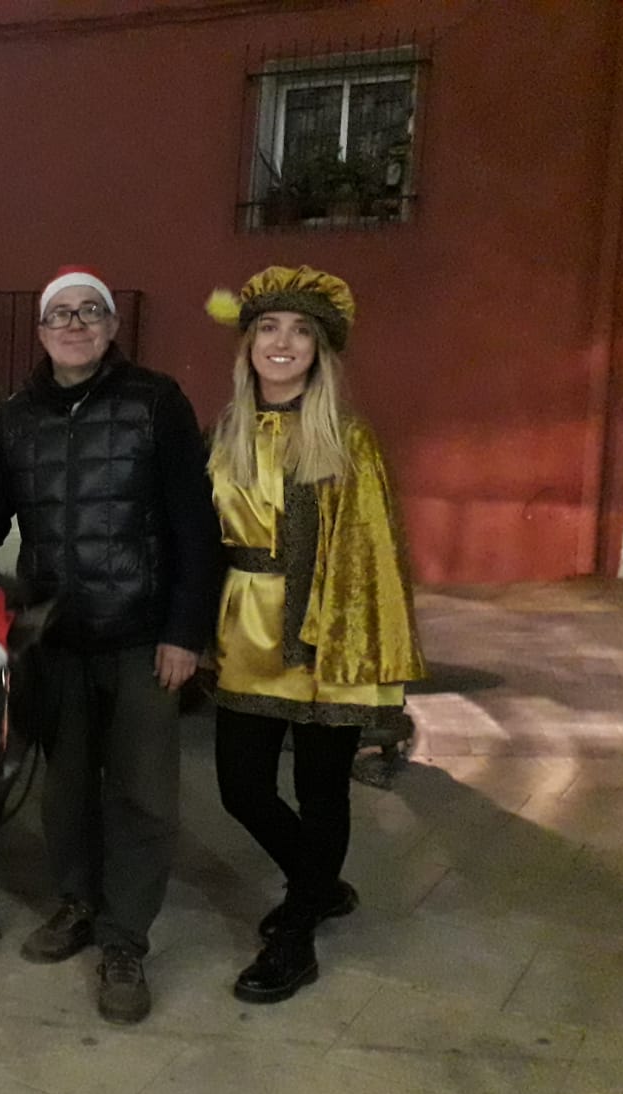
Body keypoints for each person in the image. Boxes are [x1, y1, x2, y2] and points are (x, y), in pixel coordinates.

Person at [0, 265, 220, 1024]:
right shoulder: (17, 416)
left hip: (143, 637)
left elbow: (195, 525)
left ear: (111, 327)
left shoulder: (154, 401)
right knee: (65, 790)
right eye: (60, 314)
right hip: (57, 637)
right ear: (41, 331)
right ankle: (77, 903)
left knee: (142, 794)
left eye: (89, 312)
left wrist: (185, 632)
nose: (74, 324)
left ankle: (125, 940)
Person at [203, 265, 425, 1003]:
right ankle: (319, 884)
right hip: (246, 632)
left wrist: (354, 643)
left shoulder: (346, 440)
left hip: (324, 635)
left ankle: (296, 937)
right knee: (241, 788)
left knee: (321, 790)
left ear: (320, 350)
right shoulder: (225, 433)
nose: (283, 342)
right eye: (269, 327)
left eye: (301, 331)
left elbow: (372, 554)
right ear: (248, 343)